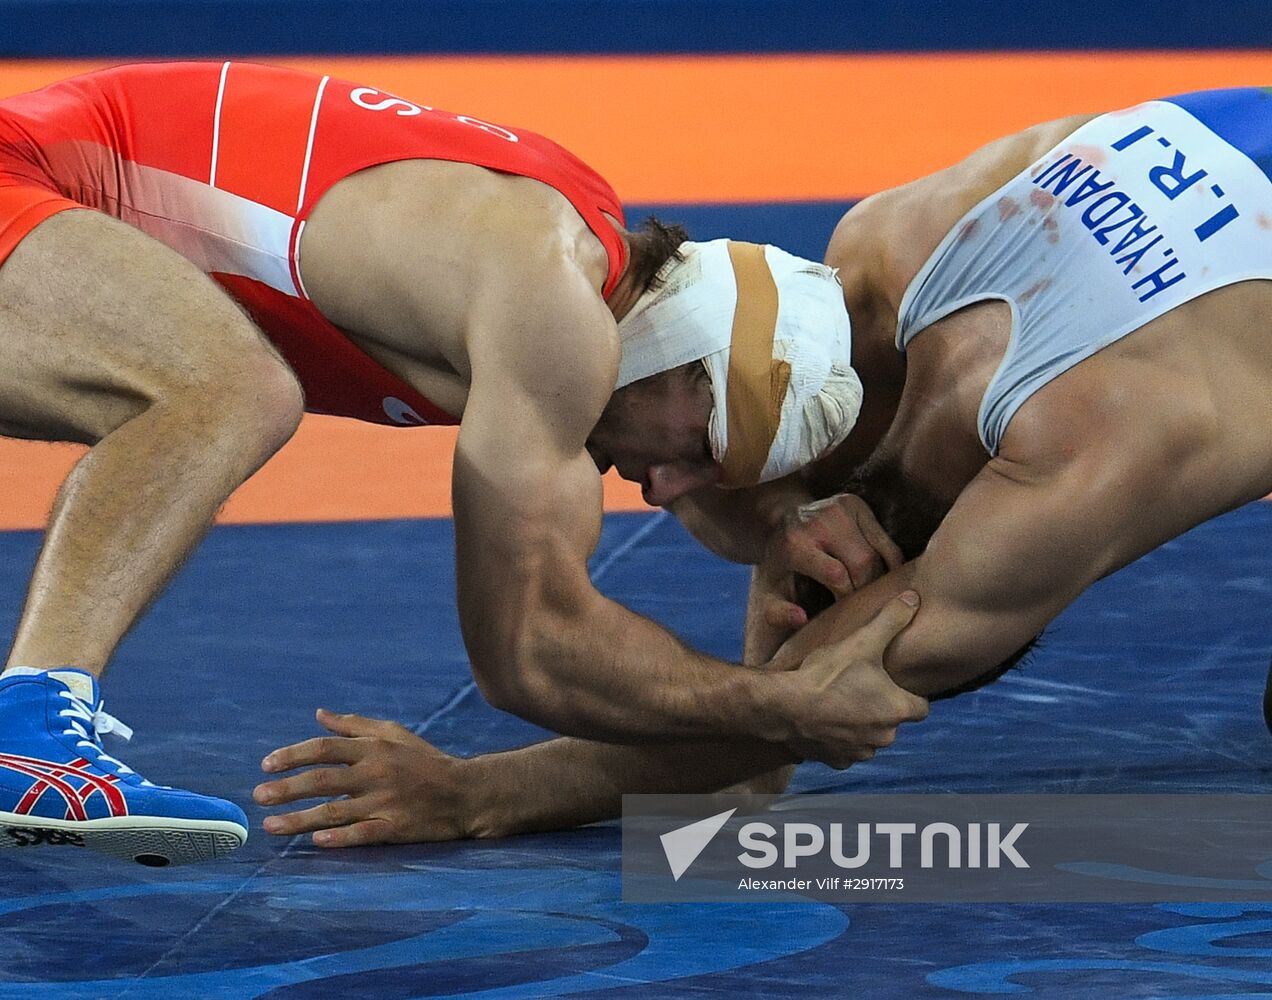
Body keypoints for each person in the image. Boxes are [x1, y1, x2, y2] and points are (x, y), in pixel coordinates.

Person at [255, 86, 1272, 846]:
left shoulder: (1076, 457)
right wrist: (783, 530)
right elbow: (774, 655)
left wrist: (480, 795)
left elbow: (807, 705)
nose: (657, 493)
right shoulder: (881, 260)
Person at [0, 62, 928, 866]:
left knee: (210, 378)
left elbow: (685, 465)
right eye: (697, 452)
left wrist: (782, 521)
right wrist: (784, 704)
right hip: (22, 176)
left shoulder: (581, 301)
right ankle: (30, 738)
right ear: (686, 355)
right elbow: (530, 656)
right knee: (232, 390)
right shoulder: (549, 302)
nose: (663, 490)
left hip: (48, 221)